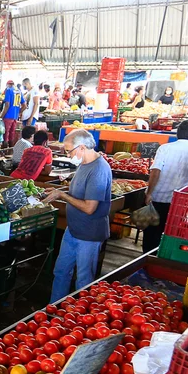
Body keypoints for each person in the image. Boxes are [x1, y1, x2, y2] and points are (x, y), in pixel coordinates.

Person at [46, 129, 112, 303]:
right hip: (73, 230)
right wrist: (59, 191)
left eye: (69, 151)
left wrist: (62, 196)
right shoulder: (84, 164)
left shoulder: (98, 170)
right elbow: (78, 192)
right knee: (61, 271)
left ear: (82, 147)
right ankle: (54, 309)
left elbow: (90, 208)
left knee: (83, 279)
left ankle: (78, 318)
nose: (68, 155)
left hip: (89, 234)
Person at [143, 120, 188, 252]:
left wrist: (149, 193)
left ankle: (147, 259)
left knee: (152, 234)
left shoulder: (165, 148)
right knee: (171, 234)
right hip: (180, 203)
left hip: (159, 198)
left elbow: (155, 171)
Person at [1, 81, 20, 147]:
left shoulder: (8, 90)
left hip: (8, 116)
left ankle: (4, 150)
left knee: (6, 133)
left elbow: (7, 105)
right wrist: (18, 112)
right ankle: (11, 150)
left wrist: (2, 115)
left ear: (8, 85)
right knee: (12, 133)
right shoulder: (19, 91)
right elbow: (24, 105)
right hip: (15, 116)